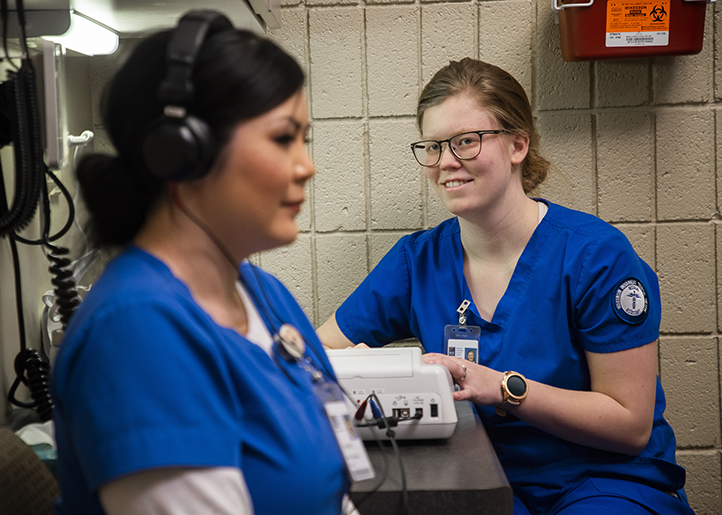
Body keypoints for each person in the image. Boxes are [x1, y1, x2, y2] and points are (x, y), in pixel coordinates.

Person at [317, 57, 695, 515]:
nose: (446, 162)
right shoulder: (416, 262)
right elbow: (314, 358)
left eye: (467, 142)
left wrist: (502, 388)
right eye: (433, 147)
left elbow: (630, 424)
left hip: (602, 482)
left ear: (518, 144)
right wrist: (361, 368)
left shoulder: (596, 256)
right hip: (477, 481)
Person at [51, 11, 354, 515]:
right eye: (283, 138)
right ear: (182, 153)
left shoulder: (262, 293)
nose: (307, 166)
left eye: (306, 140)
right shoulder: (136, 335)